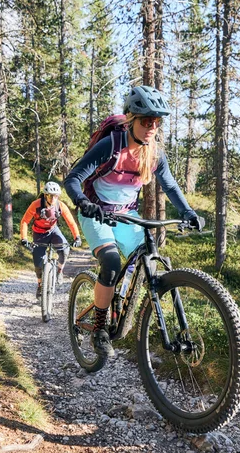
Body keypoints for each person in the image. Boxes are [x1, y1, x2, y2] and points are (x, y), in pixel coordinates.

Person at [64, 85, 205, 358]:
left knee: (149, 260)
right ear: (131, 119)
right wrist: (83, 202)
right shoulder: (111, 146)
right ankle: (100, 329)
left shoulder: (154, 154)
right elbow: (73, 178)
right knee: (111, 263)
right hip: (98, 214)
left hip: (128, 216)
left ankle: (126, 309)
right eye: (146, 121)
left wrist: (188, 212)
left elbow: (170, 186)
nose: (152, 127)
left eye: (156, 122)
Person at [20, 181, 82, 298]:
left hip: (53, 231)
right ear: (45, 195)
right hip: (39, 233)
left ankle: (59, 271)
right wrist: (24, 238)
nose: (54, 199)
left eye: (56, 196)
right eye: (51, 196)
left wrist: (77, 237)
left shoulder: (60, 205)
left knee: (65, 250)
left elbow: (71, 222)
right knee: (38, 261)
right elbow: (25, 221)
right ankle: (40, 285)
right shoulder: (36, 205)